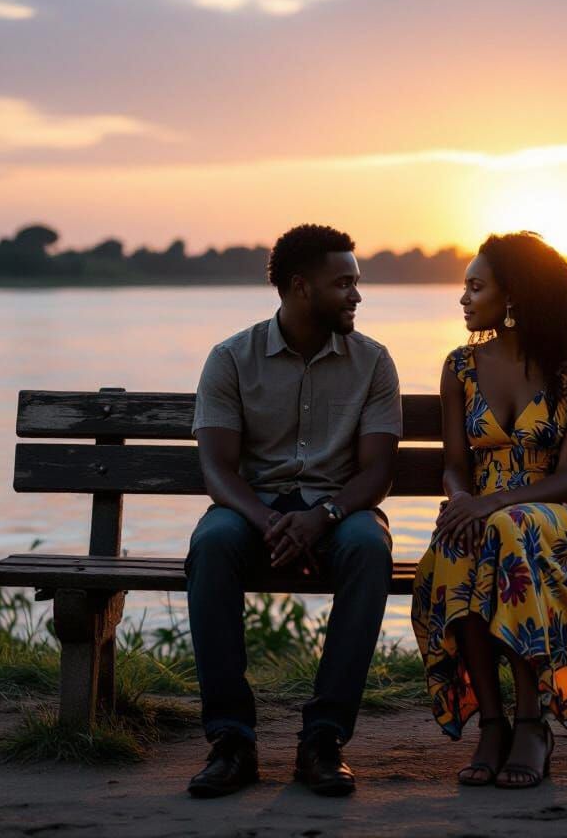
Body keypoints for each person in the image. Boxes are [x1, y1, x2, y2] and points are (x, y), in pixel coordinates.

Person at [185, 224, 401, 798]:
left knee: (368, 548)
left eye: (357, 283)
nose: (357, 295)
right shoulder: (231, 358)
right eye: (344, 283)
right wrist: (271, 522)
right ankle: (232, 741)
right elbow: (218, 471)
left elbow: (375, 474)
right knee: (211, 545)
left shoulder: (373, 363)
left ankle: (323, 741)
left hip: (339, 509)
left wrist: (321, 516)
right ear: (300, 287)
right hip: (252, 508)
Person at [411, 231, 567, 789]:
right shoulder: (459, 367)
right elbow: (455, 464)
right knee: (461, 543)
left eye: (475, 286)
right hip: (486, 512)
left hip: (561, 514)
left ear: (513, 295)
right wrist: (462, 499)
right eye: (464, 286)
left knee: (506, 527)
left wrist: (491, 503)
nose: (463, 297)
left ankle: (532, 723)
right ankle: (493, 722)